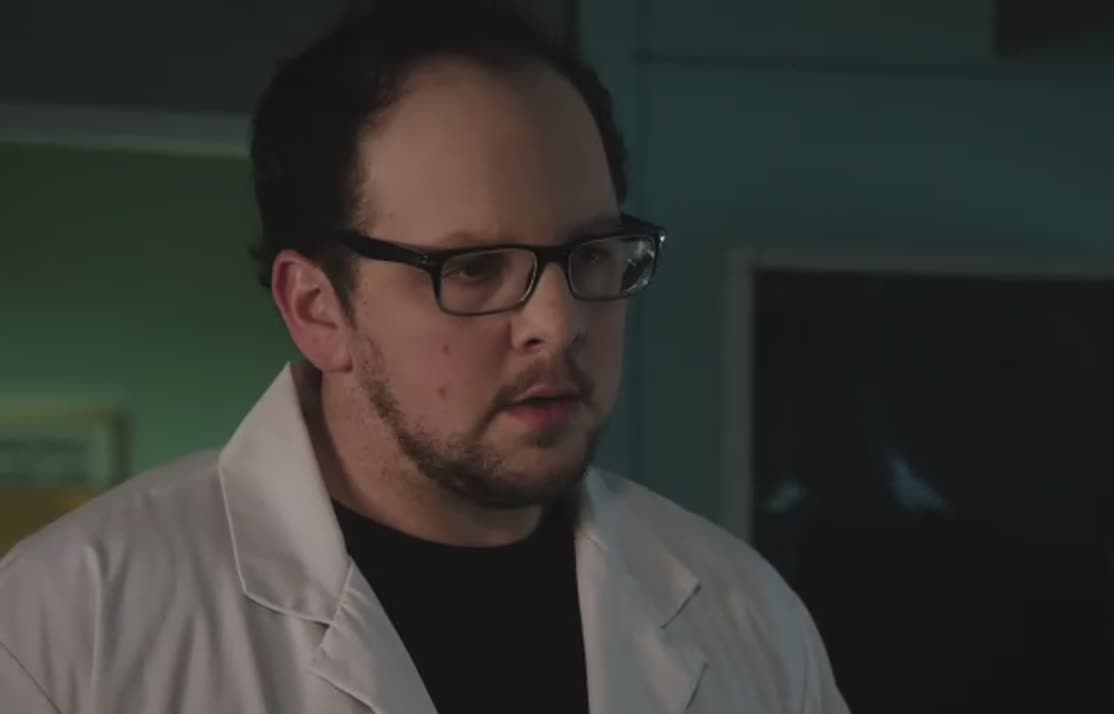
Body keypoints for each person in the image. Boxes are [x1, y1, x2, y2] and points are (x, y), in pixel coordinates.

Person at [0, 2, 848, 713]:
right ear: (317, 309)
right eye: (474, 269)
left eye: (591, 255)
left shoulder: (747, 619)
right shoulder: (67, 630)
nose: (558, 323)